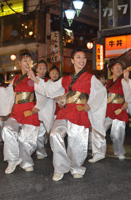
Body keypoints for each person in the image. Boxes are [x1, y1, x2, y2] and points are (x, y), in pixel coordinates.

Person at [29, 49, 107, 181]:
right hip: (65, 111)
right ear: (72, 60)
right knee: (54, 134)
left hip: (80, 111)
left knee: (77, 141)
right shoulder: (66, 78)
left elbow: (101, 91)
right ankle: (60, 167)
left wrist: (91, 104)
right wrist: (34, 79)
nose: (81, 60)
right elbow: (50, 89)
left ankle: (76, 168)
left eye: (83, 58)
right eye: (78, 57)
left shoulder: (90, 77)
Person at [0, 50, 49, 174]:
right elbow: (7, 93)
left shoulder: (36, 78)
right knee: (7, 130)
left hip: (30, 111)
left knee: (25, 139)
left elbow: (44, 93)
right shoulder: (16, 78)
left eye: (29, 61)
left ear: (32, 63)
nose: (27, 63)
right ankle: (12, 160)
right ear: (20, 63)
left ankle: (26, 162)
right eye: (24, 60)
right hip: (17, 111)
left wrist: (34, 110)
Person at [89, 61, 131, 162]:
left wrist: (127, 102)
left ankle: (119, 152)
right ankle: (98, 152)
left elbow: (130, 92)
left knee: (117, 134)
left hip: (119, 110)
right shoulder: (108, 83)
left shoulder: (124, 81)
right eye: (116, 67)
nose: (119, 69)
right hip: (108, 110)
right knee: (98, 129)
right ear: (111, 70)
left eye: (120, 68)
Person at [34, 60, 55, 160]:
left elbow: (46, 95)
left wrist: (38, 106)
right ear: (36, 69)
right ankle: (40, 151)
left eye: (44, 68)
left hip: (46, 109)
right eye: (40, 68)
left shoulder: (48, 81)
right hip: (36, 110)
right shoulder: (32, 80)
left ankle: (57, 152)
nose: (42, 71)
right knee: (39, 133)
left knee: (51, 133)